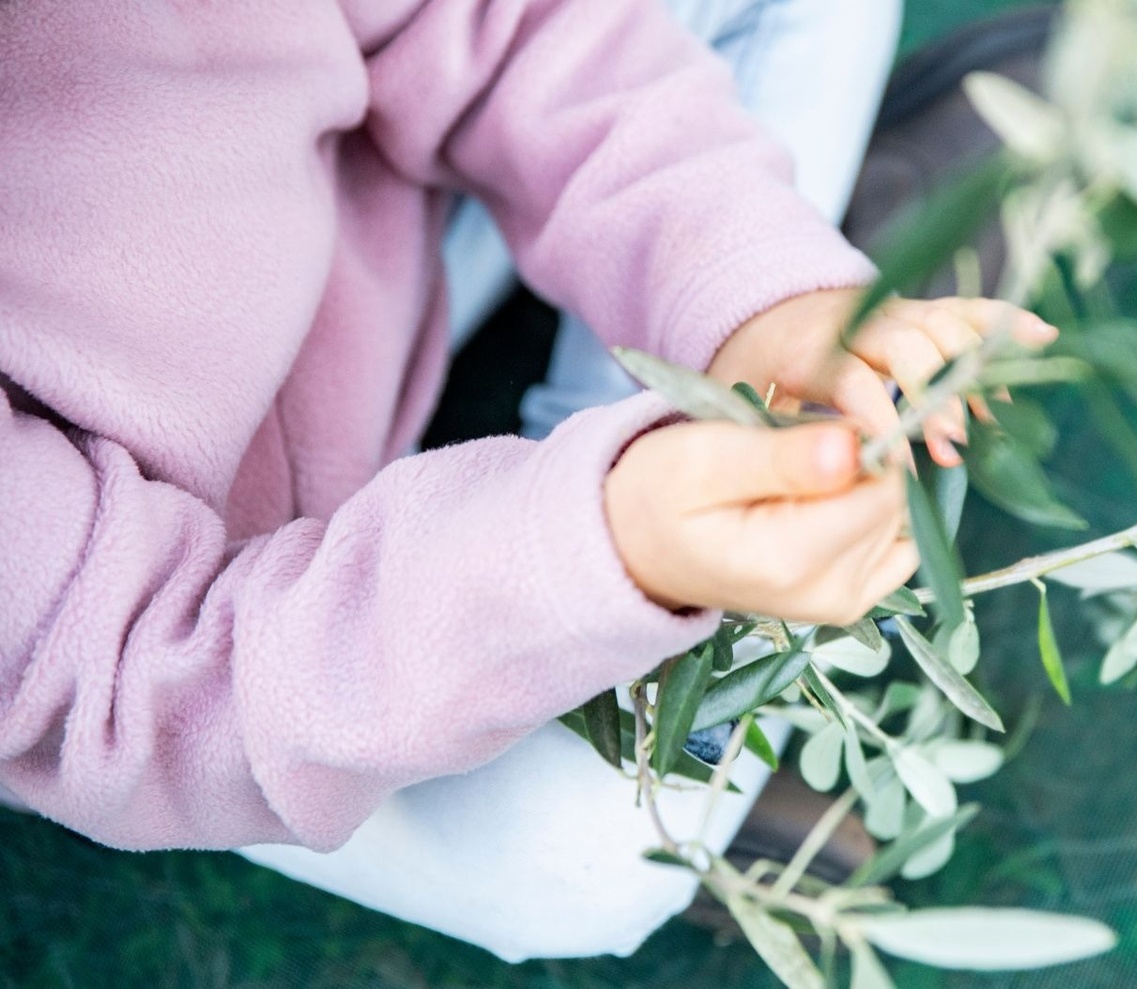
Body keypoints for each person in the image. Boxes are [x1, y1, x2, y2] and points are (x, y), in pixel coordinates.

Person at [0, 0, 1050, 960]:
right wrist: (599, 550)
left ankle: (786, 327)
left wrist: (748, 284)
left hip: (386, 221)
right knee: (576, 871)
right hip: (251, 646)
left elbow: (500, 25)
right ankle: (664, 607)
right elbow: (130, 689)